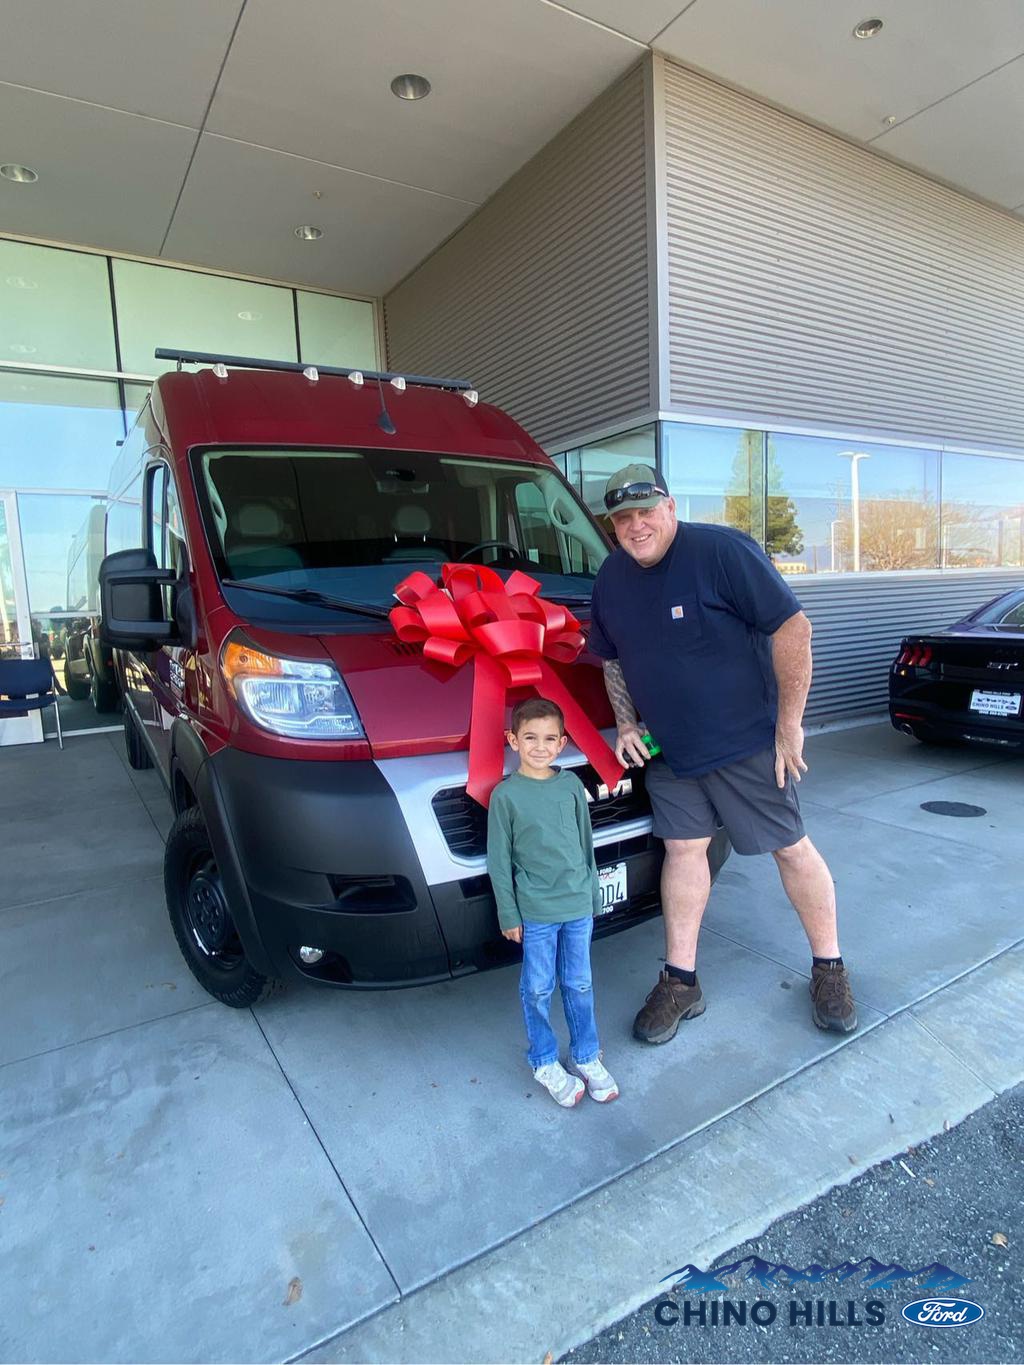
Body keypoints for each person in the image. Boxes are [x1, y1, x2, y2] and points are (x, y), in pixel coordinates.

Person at [588, 463, 857, 1043]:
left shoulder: (722, 552)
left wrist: (789, 726)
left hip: (746, 743)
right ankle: (681, 982)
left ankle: (830, 968)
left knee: (791, 848)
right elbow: (612, 655)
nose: (635, 526)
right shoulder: (611, 577)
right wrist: (626, 721)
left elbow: (794, 630)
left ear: (670, 507)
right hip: (672, 753)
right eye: (622, 518)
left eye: (645, 511)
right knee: (684, 851)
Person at [486, 697, 619, 1107]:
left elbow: (585, 843)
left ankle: (586, 1054)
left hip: (577, 905)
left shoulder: (571, 786)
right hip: (537, 912)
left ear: (562, 743)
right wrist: (508, 912)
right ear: (513, 740)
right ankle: (544, 1060)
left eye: (549, 739)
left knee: (580, 983)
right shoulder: (506, 796)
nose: (540, 747)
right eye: (530, 738)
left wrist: (593, 893)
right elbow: (499, 861)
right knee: (538, 987)